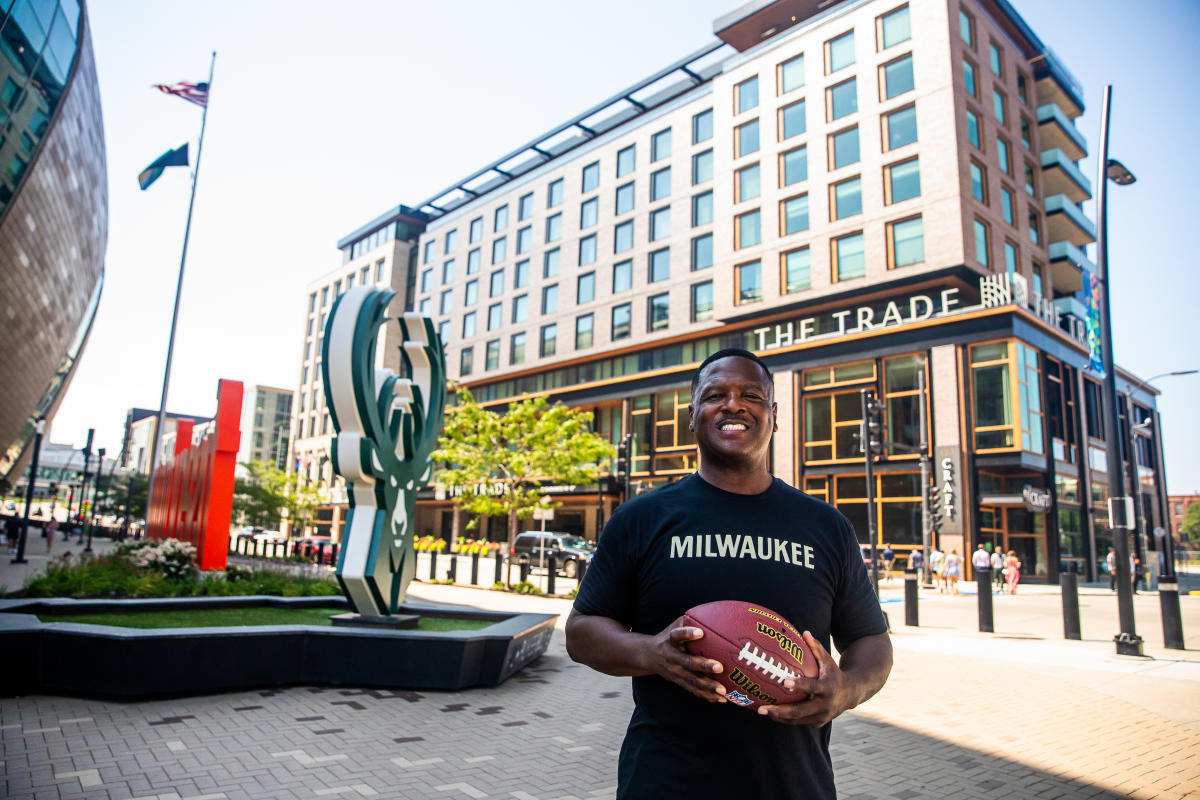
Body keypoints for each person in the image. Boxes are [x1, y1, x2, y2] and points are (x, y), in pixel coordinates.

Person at [565, 349, 893, 799]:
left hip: (794, 785)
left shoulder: (825, 526)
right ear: (692, 415)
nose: (734, 404)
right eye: (716, 394)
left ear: (773, 417)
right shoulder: (641, 518)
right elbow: (581, 631)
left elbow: (872, 641)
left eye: (751, 395)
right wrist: (651, 652)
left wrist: (847, 690)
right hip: (666, 784)